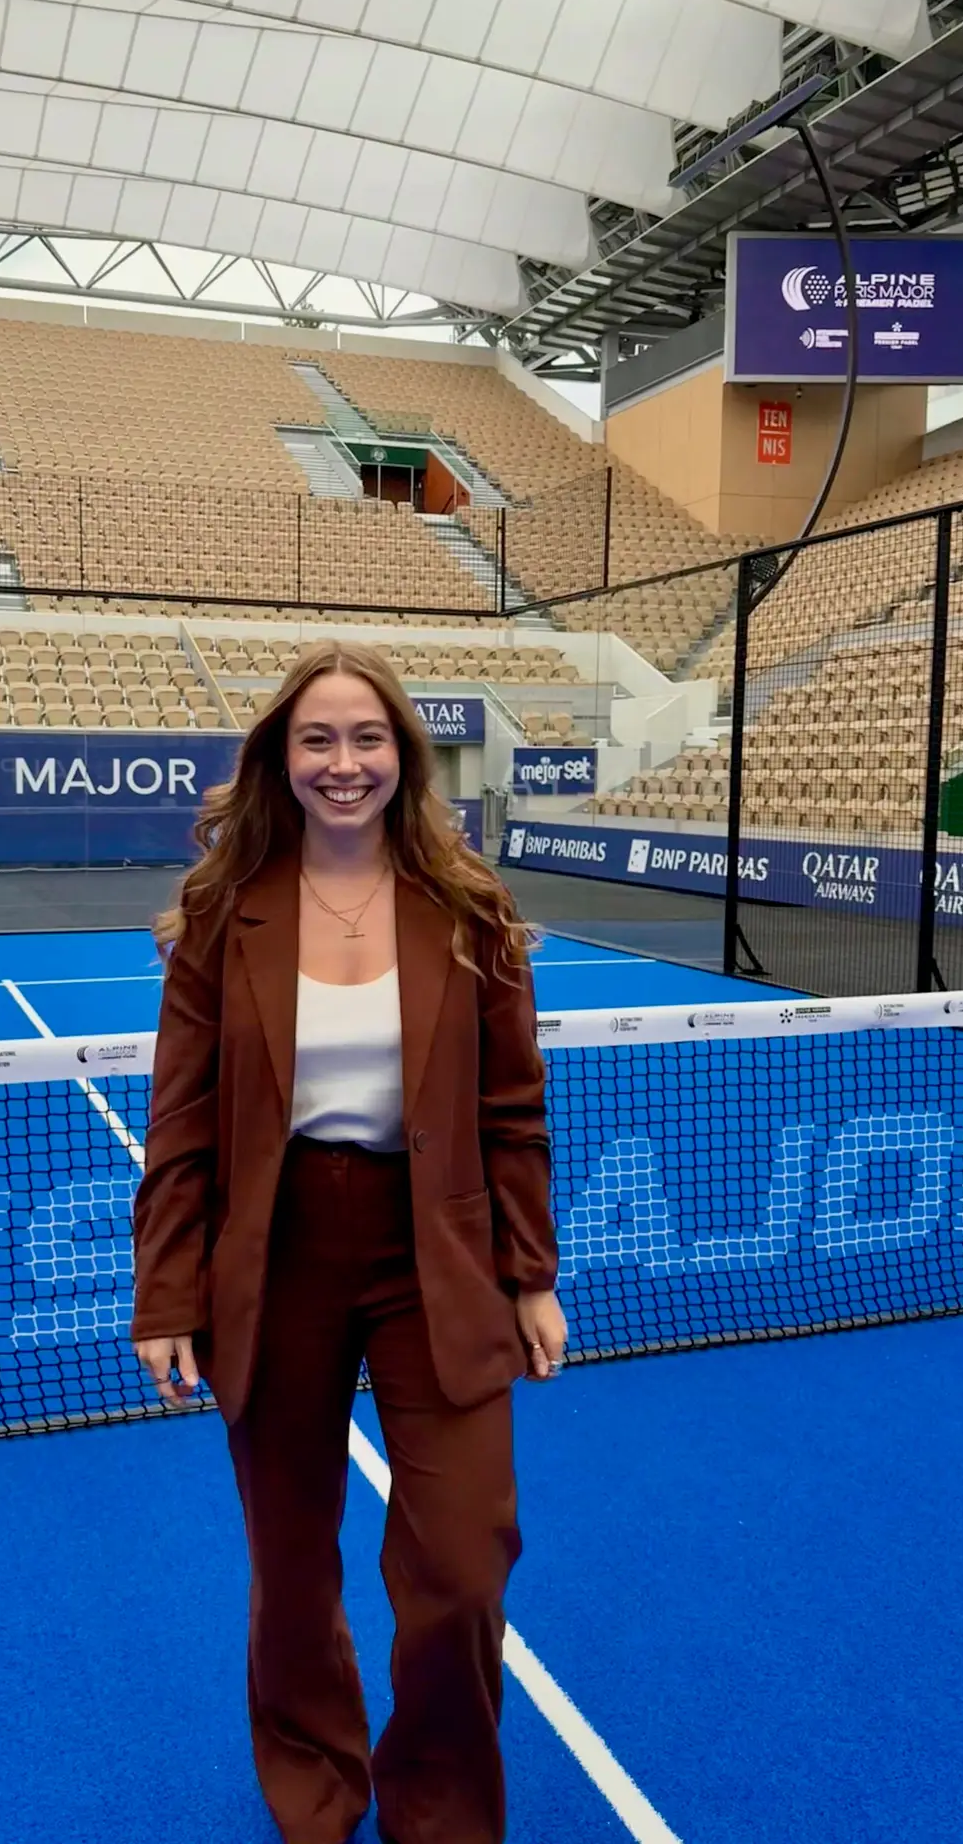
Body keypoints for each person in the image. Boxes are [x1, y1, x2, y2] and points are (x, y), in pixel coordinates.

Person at [130, 639, 565, 1844]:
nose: (343, 763)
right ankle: (316, 1794)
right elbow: (182, 1124)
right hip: (275, 1259)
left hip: (443, 1256)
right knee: (293, 1567)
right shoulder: (225, 915)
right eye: (317, 739)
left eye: (366, 739)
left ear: (403, 757)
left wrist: (531, 1274)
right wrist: (166, 1296)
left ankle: (438, 1809)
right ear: (280, 755)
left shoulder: (471, 907)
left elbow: (511, 1108)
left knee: (465, 1564)